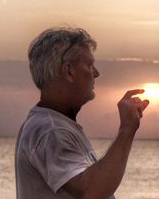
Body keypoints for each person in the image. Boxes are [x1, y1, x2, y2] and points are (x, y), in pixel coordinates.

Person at [15, 27, 150, 199]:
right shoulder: (52, 130)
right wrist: (127, 129)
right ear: (69, 71)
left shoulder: (52, 124)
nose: (96, 73)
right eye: (90, 65)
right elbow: (91, 192)